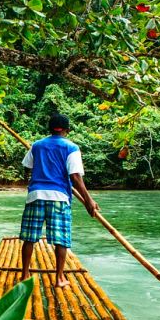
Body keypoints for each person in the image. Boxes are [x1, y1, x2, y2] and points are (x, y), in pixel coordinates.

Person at [19, 113, 99, 287]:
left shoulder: (37, 145)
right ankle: (59, 278)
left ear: (49, 129)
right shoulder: (71, 148)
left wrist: (32, 180)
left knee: (29, 238)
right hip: (59, 197)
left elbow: (27, 167)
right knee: (60, 239)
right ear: (67, 130)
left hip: (36, 195)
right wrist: (88, 200)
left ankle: (25, 275)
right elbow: (75, 177)